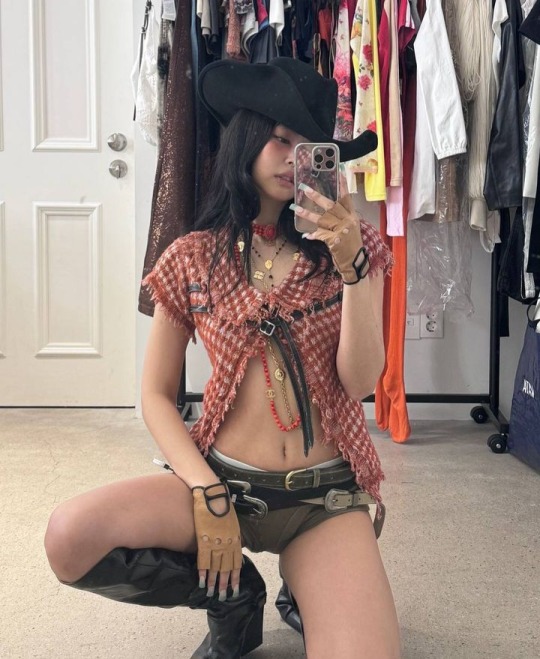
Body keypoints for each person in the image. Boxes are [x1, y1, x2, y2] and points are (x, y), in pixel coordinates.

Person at [44, 57, 401, 659]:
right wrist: (206, 490)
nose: (292, 157)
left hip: (321, 500)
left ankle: (306, 586)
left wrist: (352, 269)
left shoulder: (355, 246)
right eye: (280, 138)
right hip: (221, 480)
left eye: (309, 147)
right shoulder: (193, 256)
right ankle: (235, 596)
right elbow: (156, 394)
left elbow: (361, 382)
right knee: (69, 536)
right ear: (245, 139)